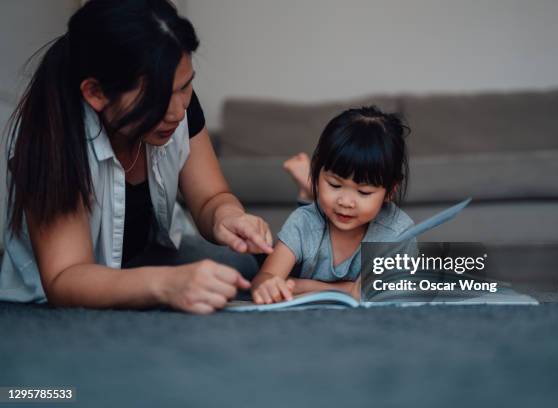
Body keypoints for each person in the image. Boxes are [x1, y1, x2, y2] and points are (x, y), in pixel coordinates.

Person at [0, 0, 274, 314]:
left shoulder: (178, 102)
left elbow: (212, 196)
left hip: (147, 255)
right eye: (156, 99)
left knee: (241, 265)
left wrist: (228, 216)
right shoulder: (49, 131)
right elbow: (66, 276)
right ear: (96, 93)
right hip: (62, 284)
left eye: (185, 87)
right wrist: (167, 285)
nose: (177, 111)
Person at [251, 106, 417, 304]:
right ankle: (309, 192)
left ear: (390, 191)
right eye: (334, 184)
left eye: (364, 192)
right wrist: (348, 289)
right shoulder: (304, 222)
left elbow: (400, 291)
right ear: (318, 172)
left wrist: (301, 285)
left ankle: (309, 192)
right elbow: (264, 277)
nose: (345, 202)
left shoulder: (397, 231)